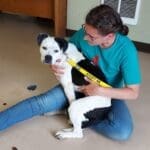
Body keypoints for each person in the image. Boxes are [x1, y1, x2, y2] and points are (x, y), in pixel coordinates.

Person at [0, 4, 141, 141]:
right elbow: (64, 54)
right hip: (77, 84)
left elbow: (133, 92)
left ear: (109, 36)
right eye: (85, 30)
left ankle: (72, 112)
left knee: (121, 131)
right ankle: (73, 111)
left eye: (92, 37)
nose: (85, 37)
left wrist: (99, 91)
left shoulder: (127, 50)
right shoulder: (83, 34)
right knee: (42, 103)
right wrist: (54, 65)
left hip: (108, 92)